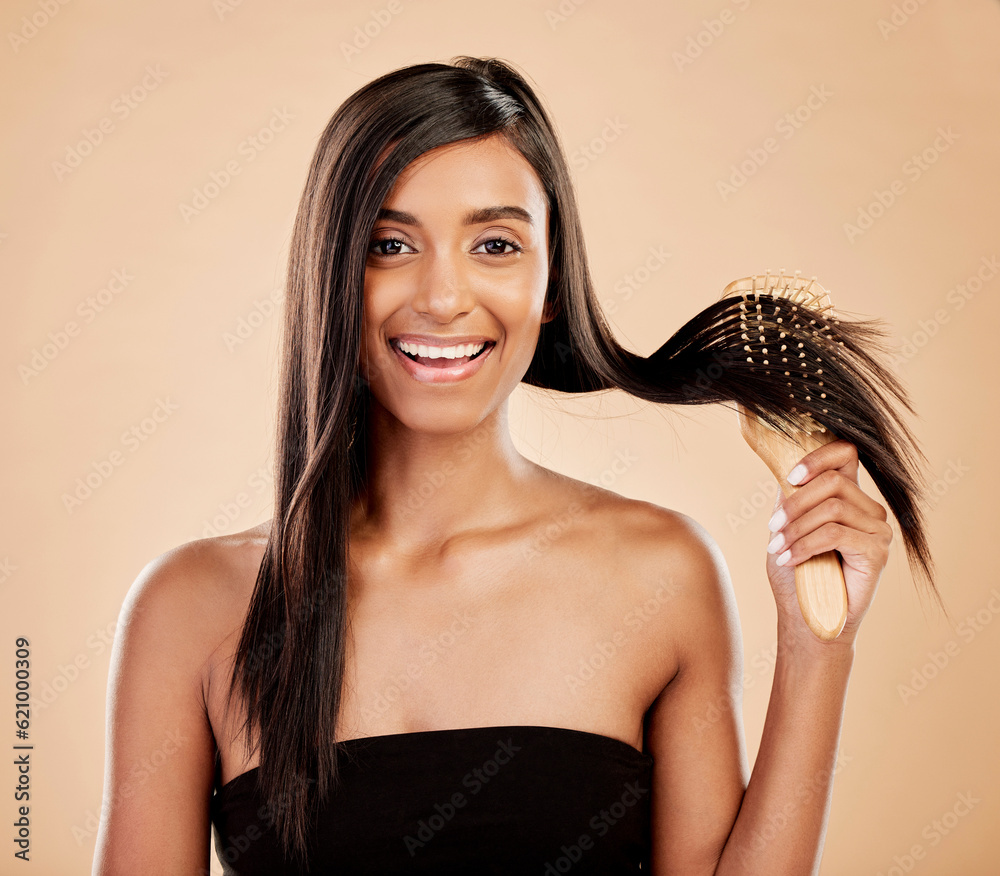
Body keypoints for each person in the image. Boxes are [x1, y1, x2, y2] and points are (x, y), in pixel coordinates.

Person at [92, 56, 939, 875]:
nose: (443, 296)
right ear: (331, 270)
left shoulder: (660, 574)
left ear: (550, 273)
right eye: (390, 244)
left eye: (495, 244)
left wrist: (817, 647)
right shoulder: (189, 608)